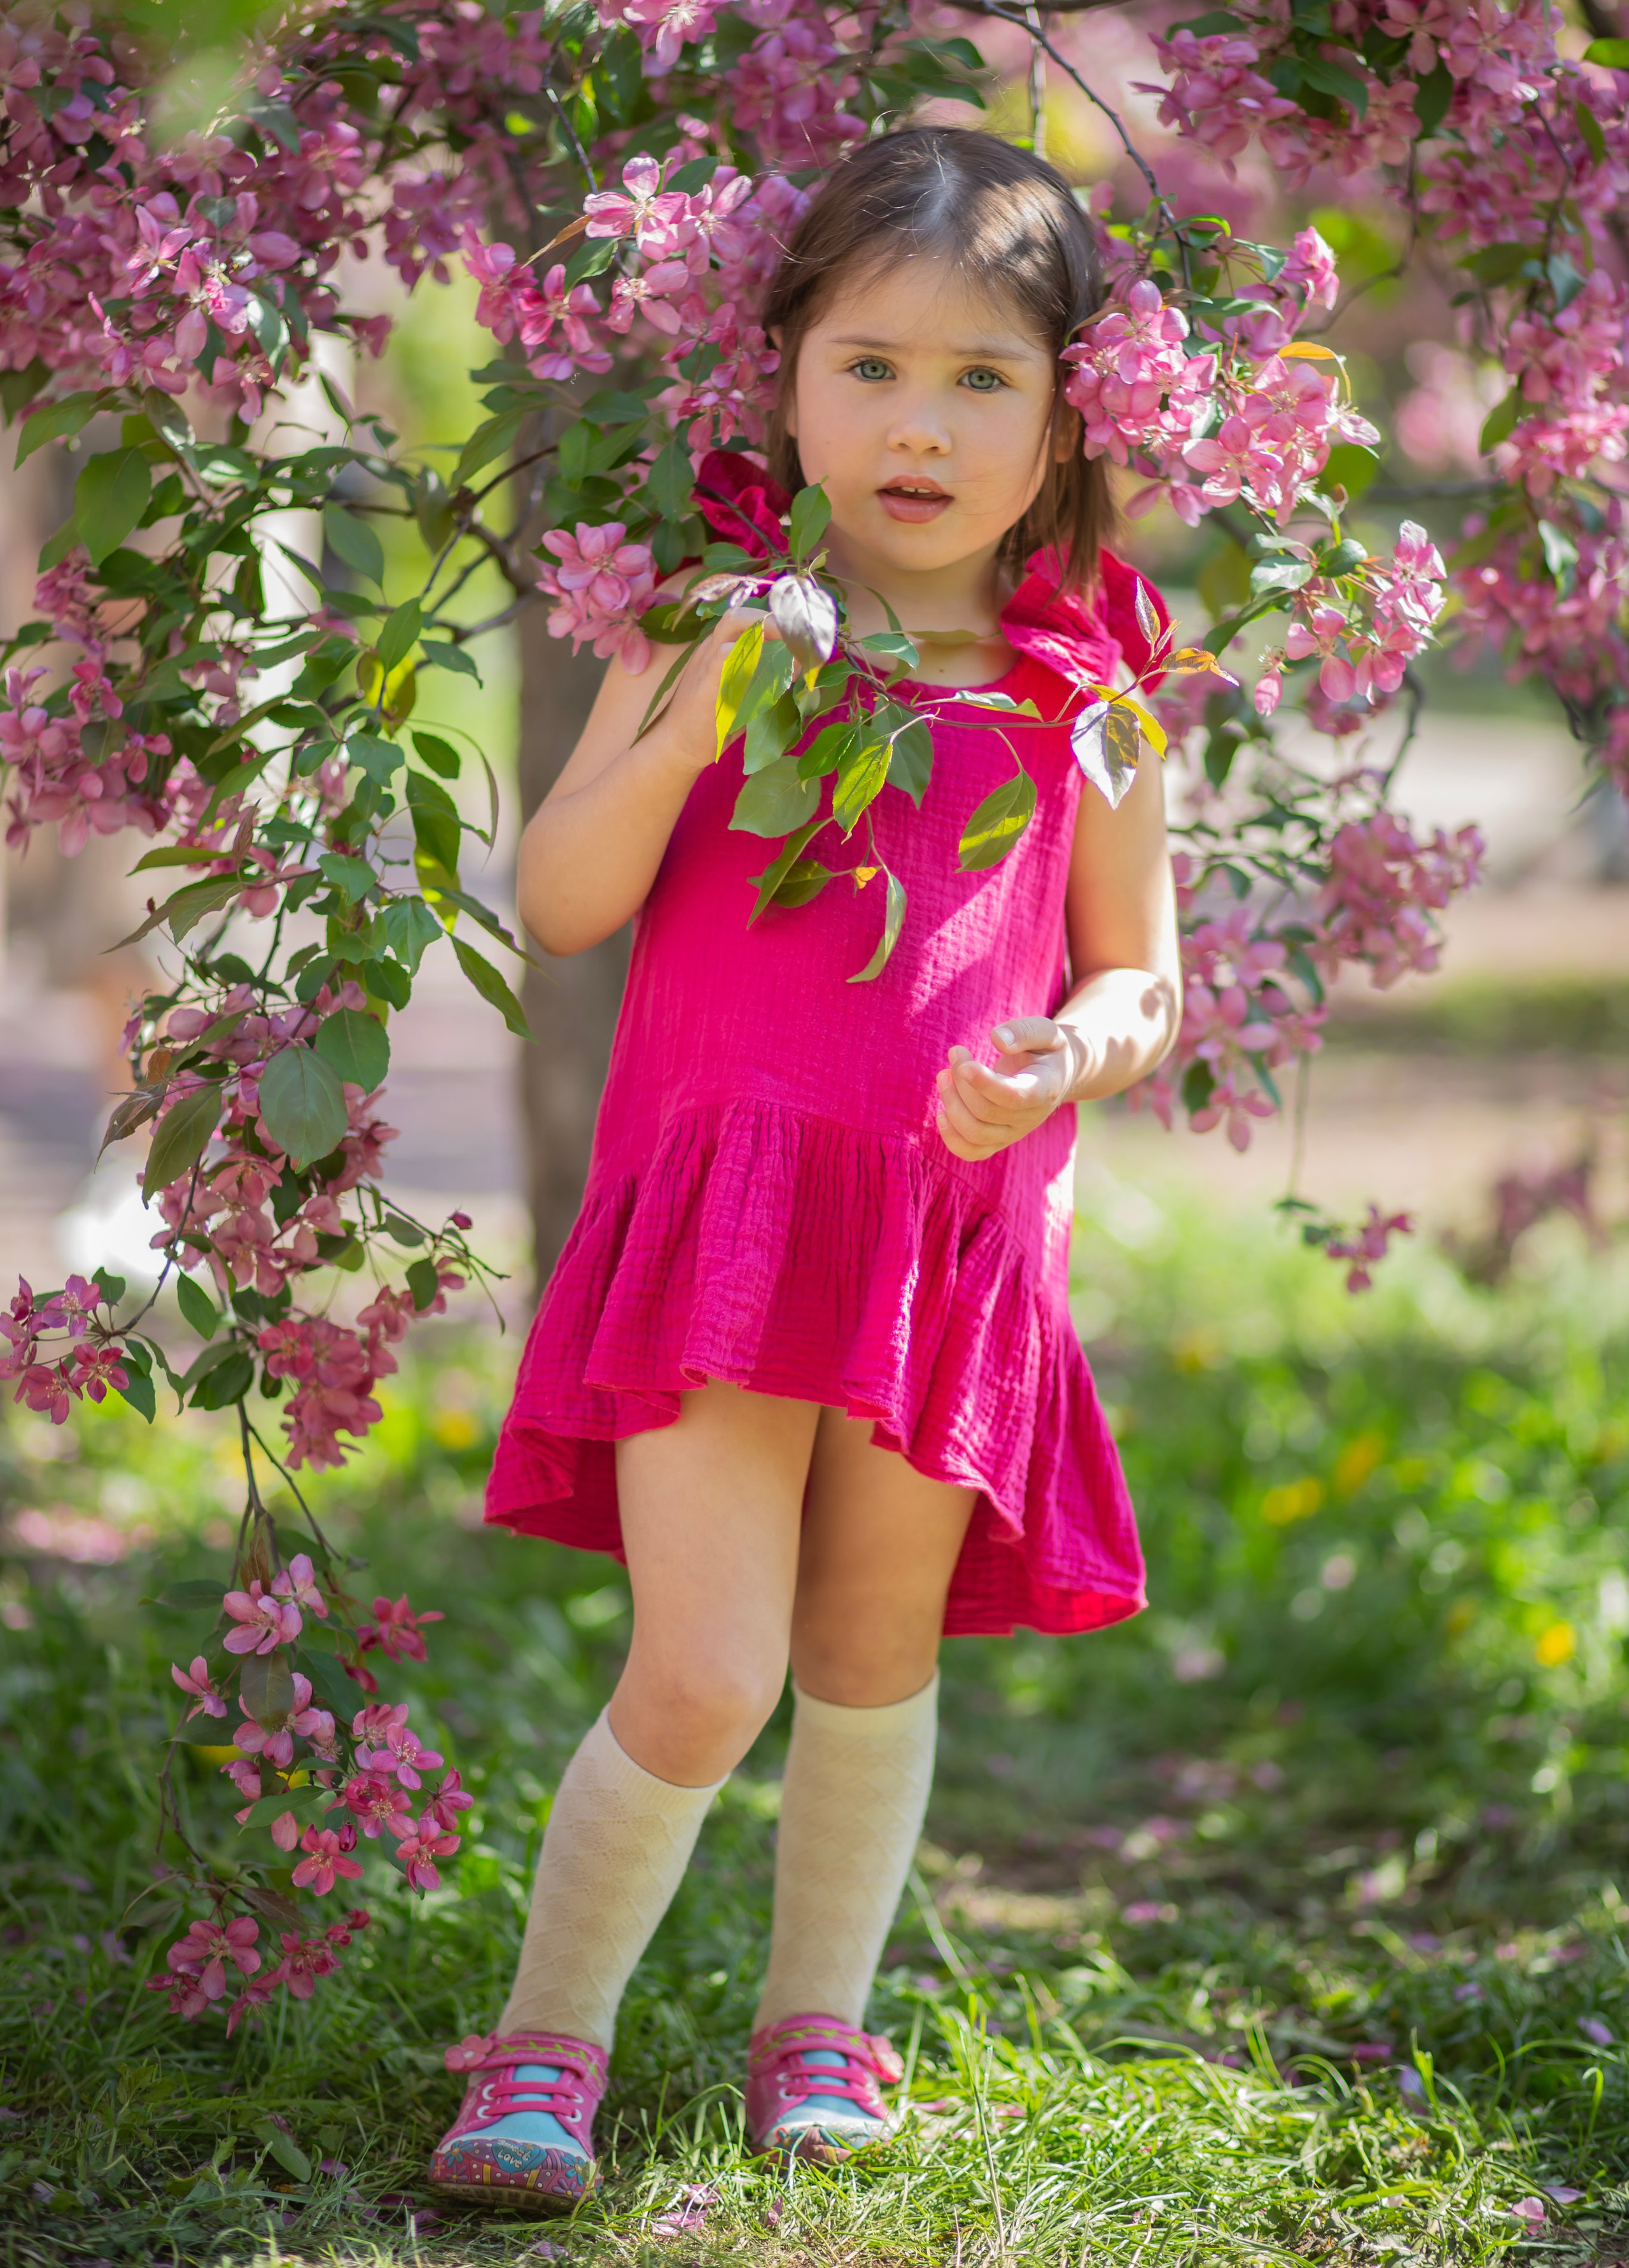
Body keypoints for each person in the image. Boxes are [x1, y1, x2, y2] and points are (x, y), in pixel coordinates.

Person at [428, 125, 1182, 2214]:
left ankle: (813, 2024)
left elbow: (1147, 982)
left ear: (1063, 420)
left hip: (949, 1236)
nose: (917, 423)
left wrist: (1065, 1055)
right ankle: (544, 2043)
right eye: (870, 365)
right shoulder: (713, 622)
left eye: (980, 378)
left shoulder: (1087, 680)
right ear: (783, 377)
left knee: (869, 1652)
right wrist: (681, 729)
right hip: (731, 1228)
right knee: (703, 1663)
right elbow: (567, 900)